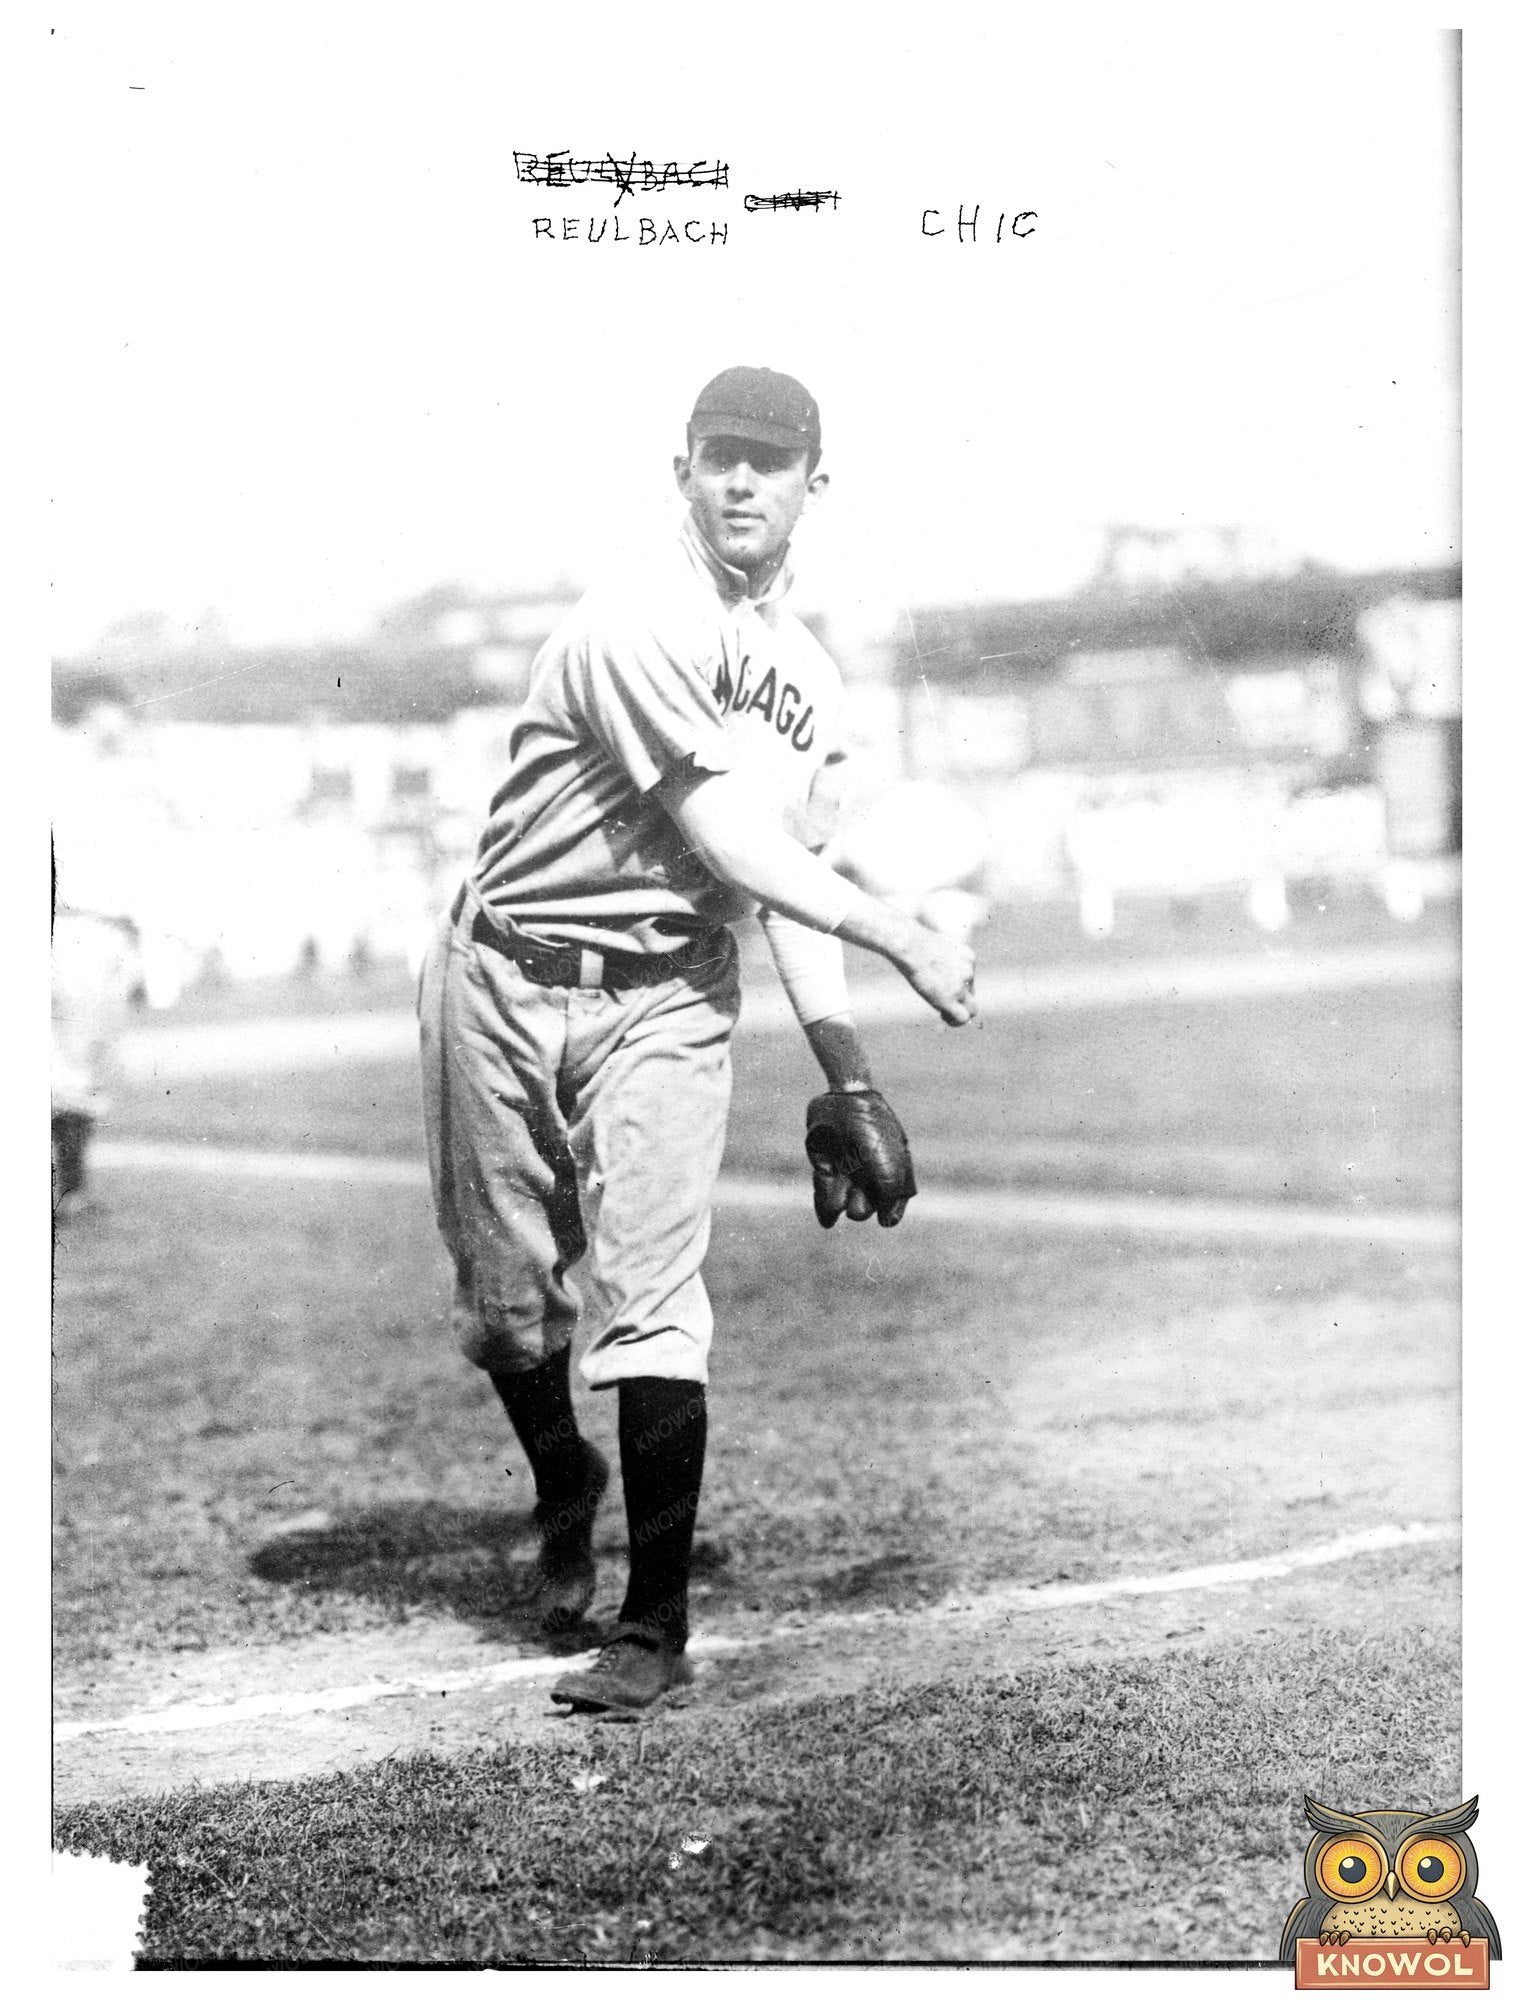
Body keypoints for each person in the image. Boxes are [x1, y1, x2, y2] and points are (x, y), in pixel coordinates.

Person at [418, 366, 977, 1716]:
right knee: (507, 1315)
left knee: (653, 1300)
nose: (742, 481)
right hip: (500, 967)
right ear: (682, 470)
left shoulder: (809, 684)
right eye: (720, 456)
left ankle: (651, 1624)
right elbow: (726, 836)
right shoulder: (636, 620)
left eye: (769, 462)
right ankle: (565, 1475)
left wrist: (847, 1066)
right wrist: (903, 932)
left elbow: (775, 878)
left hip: (668, 993)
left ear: (810, 486)